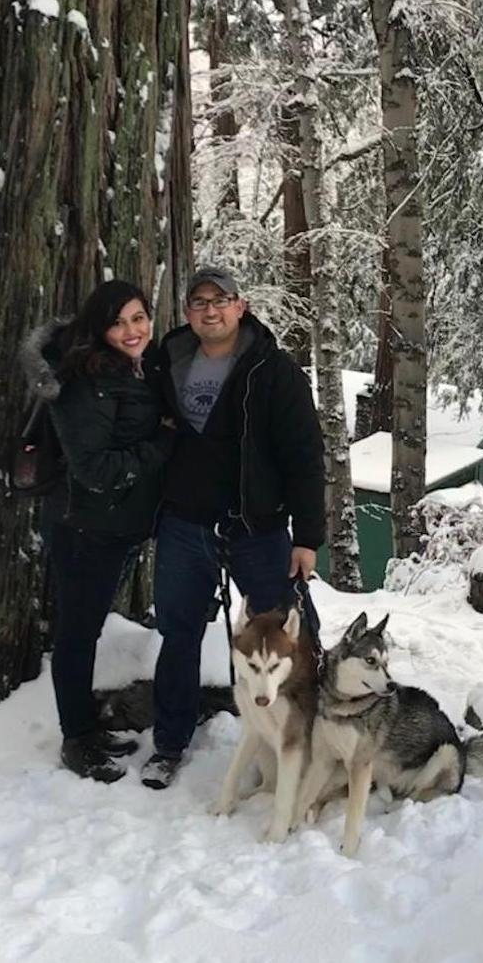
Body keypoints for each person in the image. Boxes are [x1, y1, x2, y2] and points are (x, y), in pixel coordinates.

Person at [140, 266, 325, 790]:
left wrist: (308, 536)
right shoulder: (166, 362)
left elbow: (304, 456)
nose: (210, 310)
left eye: (221, 300)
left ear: (241, 306)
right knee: (178, 634)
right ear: (187, 312)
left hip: (257, 529)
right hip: (184, 525)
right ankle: (170, 743)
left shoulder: (273, 370)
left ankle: (310, 735)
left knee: (292, 634)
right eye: (199, 302)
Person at [23, 280, 176, 783]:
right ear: (99, 327)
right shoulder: (87, 380)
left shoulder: (131, 367)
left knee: (82, 627)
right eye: (119, 322)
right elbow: (94, 468)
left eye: (139, 318)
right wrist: (163, 445)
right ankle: (76, 738)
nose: (133, 331)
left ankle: (85, 727)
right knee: (78, 633)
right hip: (84, 526)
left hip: (110, 525)